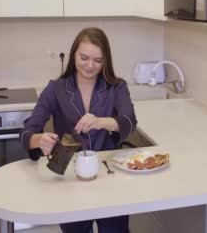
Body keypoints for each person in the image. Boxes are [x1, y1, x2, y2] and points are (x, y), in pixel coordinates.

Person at [20, 27, 137, 233]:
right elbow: (27, 132)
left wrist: (102, 121)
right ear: (74, 53)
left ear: (105, 61)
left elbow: (129, 121)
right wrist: (39, 140)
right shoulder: (55, 89)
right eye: (84, 57)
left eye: (98, 60)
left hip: (108, 176)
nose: (90, 65)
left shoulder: (116, 87)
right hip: (68, 176)